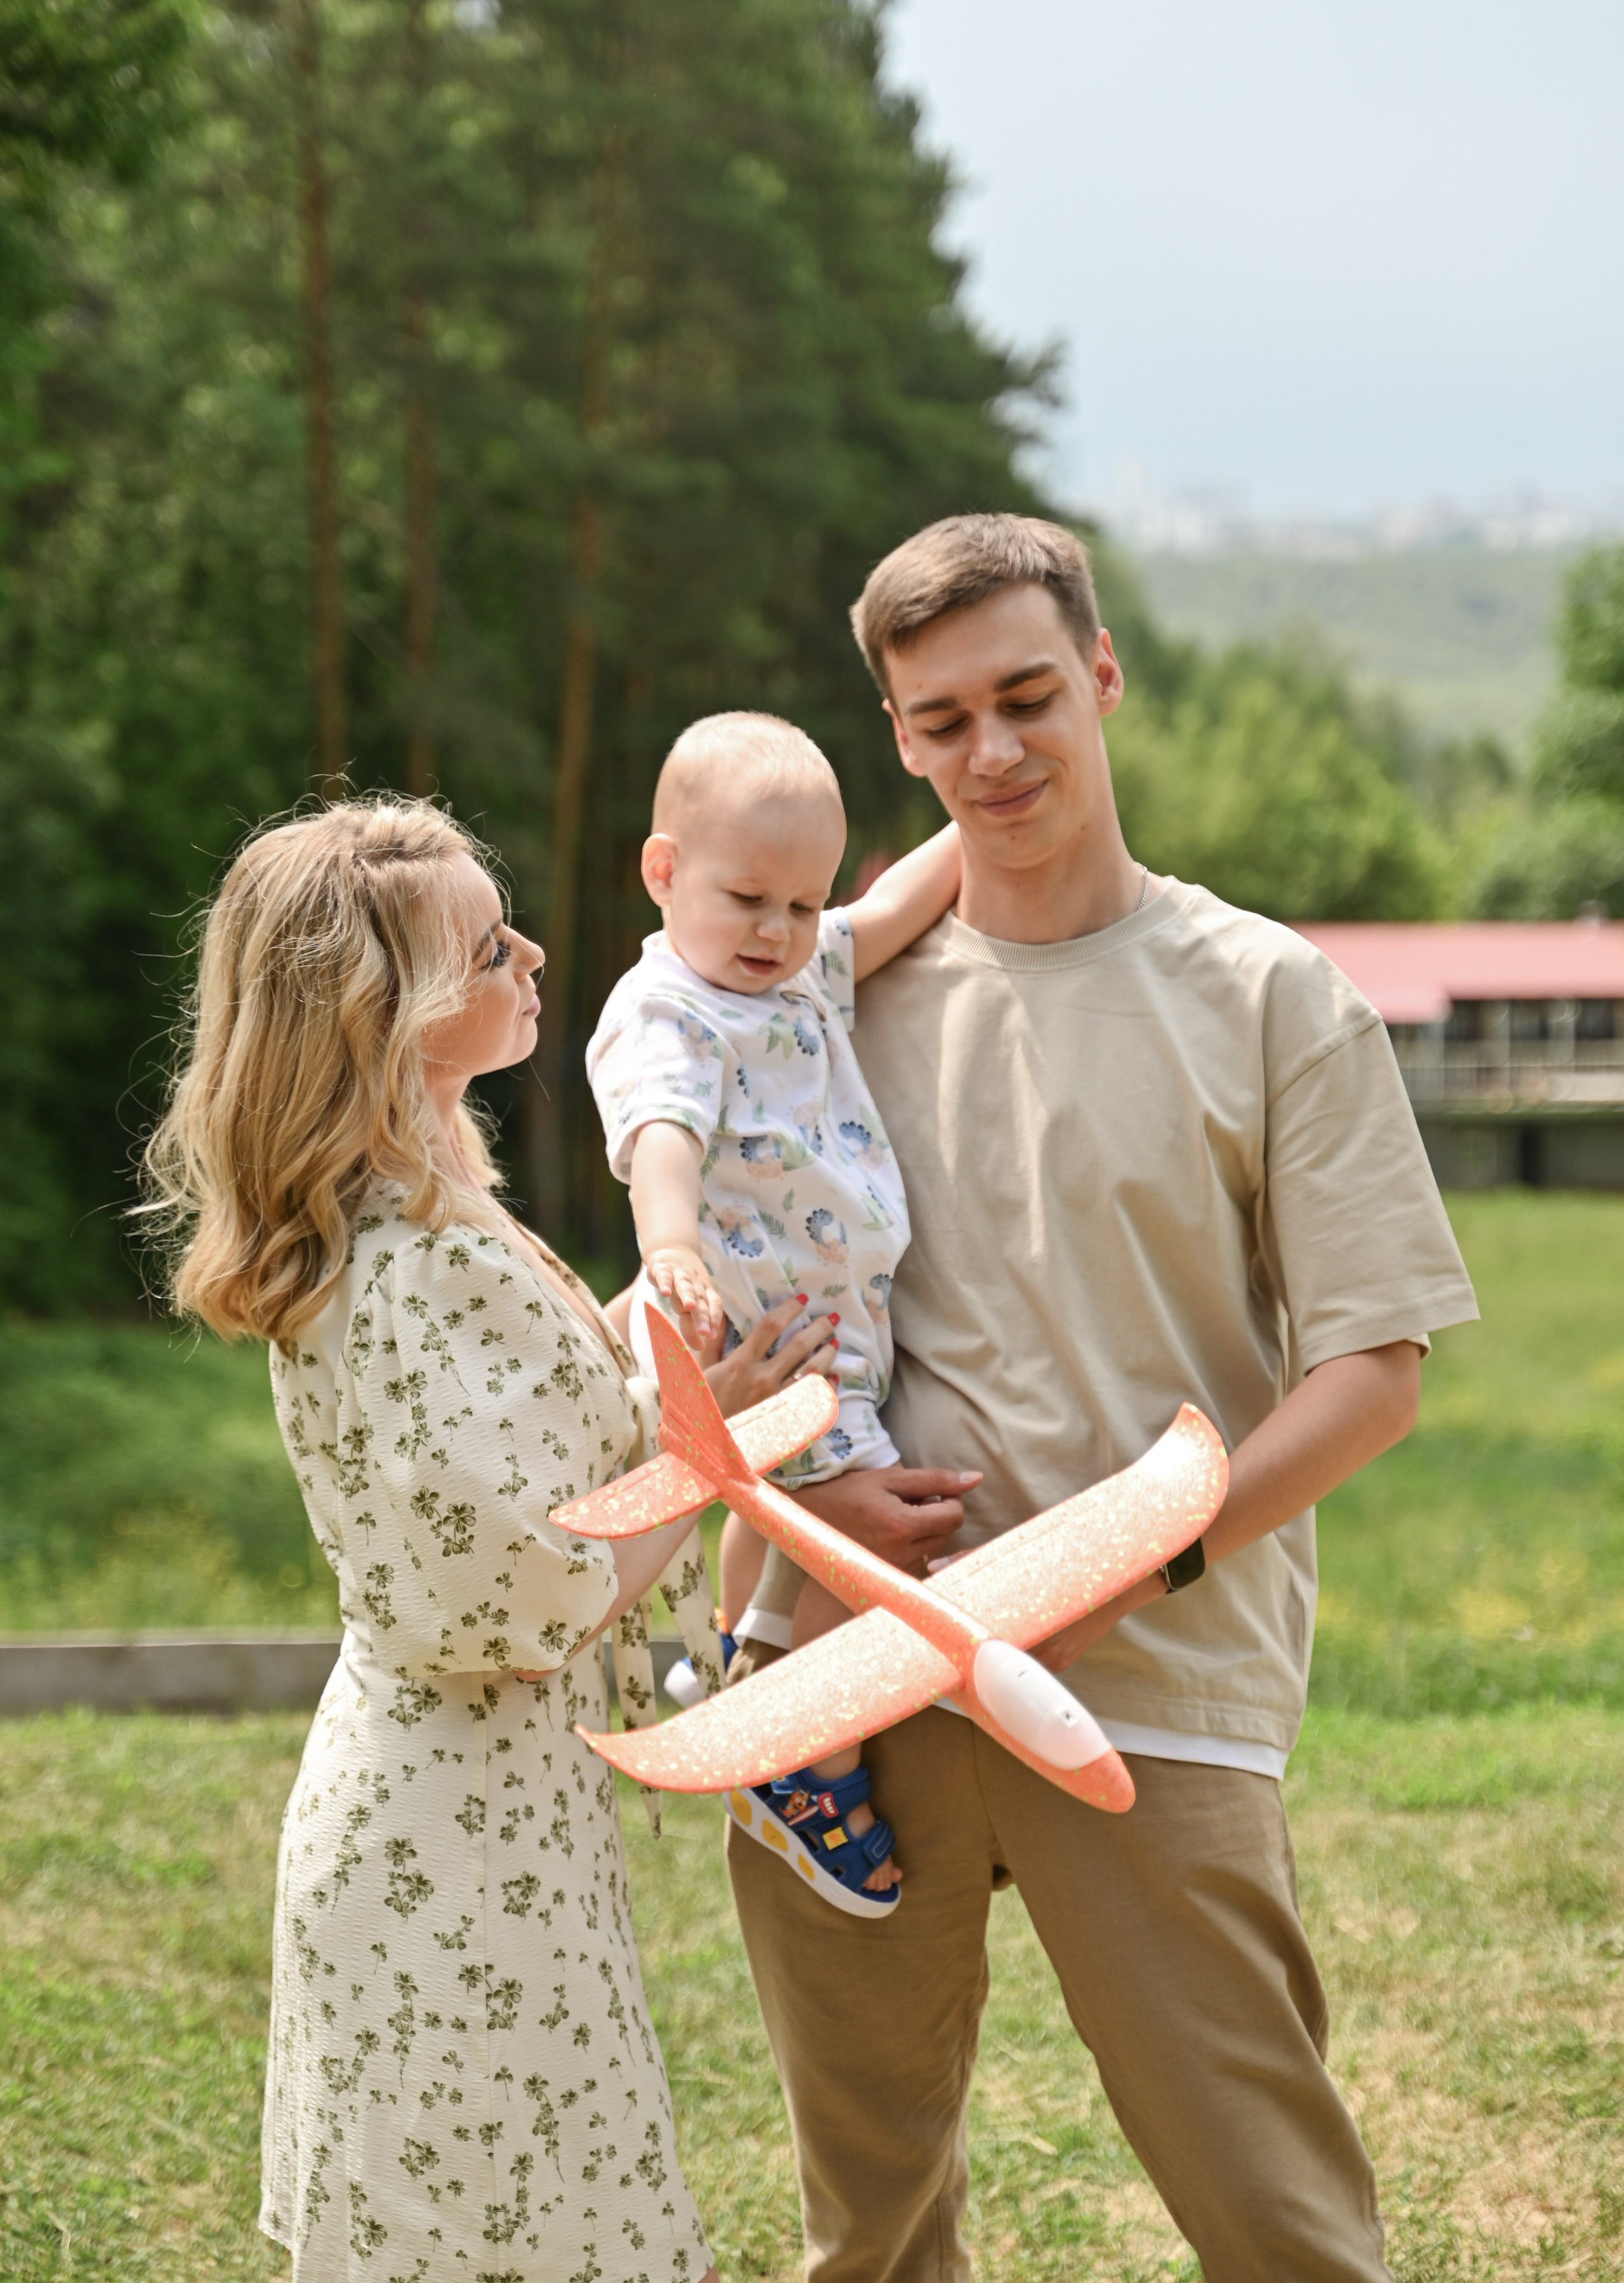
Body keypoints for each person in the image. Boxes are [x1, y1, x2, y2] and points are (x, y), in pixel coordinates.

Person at [723, 515, 1480, 2283]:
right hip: (843, 1673)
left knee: (1281, 2222)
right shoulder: (821, 1008)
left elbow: (1373, 1377)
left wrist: (1134, 1562)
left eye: (1026, 697)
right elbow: (730, 1309)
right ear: (897, 738)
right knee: (870, 2239)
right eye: (937, 720)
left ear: (1106, 676)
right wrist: (788, 1498)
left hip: (1151, 1689)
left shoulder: (1272, 995)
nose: (989, 751)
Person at [142, 798, 812, 2283]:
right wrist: (703, 1473)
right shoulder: (409, 1260)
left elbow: (529, 1473)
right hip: (448, 1852)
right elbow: (520, 1592)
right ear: (383, 1011)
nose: (532, 954)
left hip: (490, 1820)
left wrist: (674, 1394)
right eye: (485, 943)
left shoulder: (430, 1208)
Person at [586, 712, 961, 1914]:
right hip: (765, 1343)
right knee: (874, 1540)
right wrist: (671, 1246)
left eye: (802, 907)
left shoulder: (803, 969)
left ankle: (743, 1673)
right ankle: (809, 1763)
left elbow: (893, 906)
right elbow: (662, 1142)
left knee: (782, 1525)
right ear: (663, 871)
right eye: (748, 898)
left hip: (830, 1344)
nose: (777, 933)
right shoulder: (674, 1016)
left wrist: (980, 816)